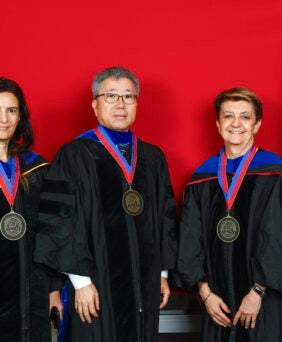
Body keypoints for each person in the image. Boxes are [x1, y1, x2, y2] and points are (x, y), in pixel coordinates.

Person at [34, 66, 177, 341]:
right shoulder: (74, 155)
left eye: (128, 96)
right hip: (94, 286)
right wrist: (81, 283)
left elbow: (165, 219)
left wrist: (161, 273)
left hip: (144, 284)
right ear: (95, 104)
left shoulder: (153, 158)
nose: (120, 104)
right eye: (111, 96)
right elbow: (62, 221)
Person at [176, 87, 282, 341]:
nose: (236, 123)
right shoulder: (202, 178)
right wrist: (205, 294)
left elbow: (279, 239)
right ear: (217, 123)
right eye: (228, 116)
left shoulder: (275, 174)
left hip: (267, 303)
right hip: (218, 302)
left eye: (245, 117)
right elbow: (190, 240)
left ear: (257, 125)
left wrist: (257, 292)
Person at [0, 78, 63, 341]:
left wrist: (53, 291)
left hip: (35, 292)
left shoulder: (37, 168)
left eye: (11, 110)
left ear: (20, 116)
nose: (3, 119)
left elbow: (52, 233)